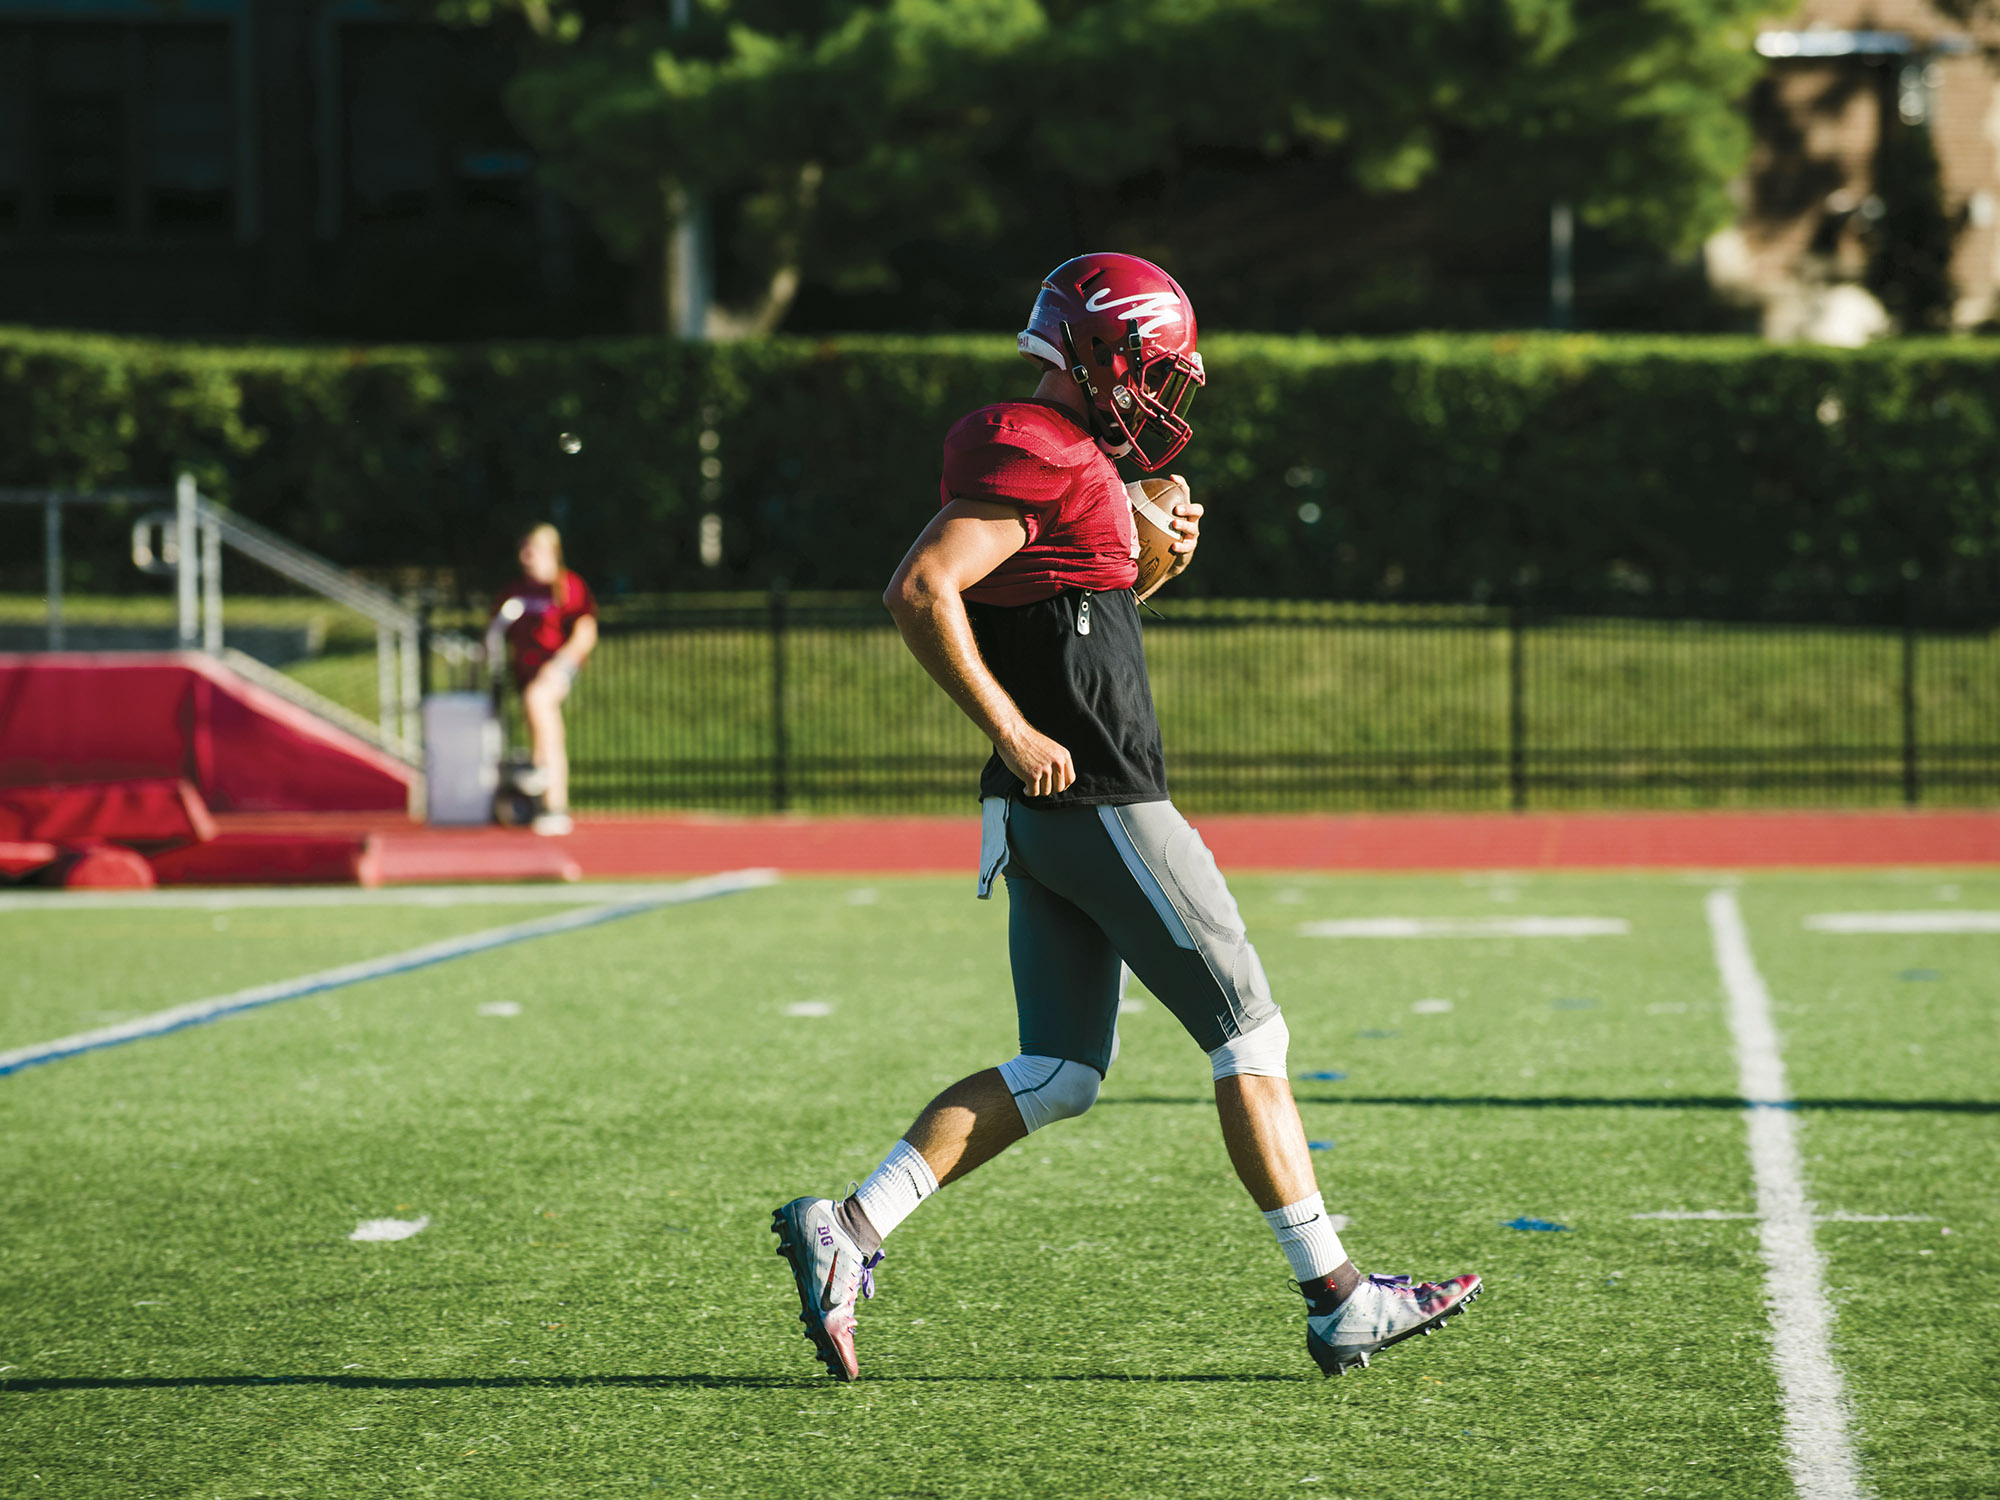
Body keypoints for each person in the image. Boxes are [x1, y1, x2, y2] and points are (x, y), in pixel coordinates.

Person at [770, 253, 1480, 1381]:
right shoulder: (1038, 447)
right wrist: (1012, 728)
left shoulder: (1073, 460)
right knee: (1247, 1033)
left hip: (1046, 814)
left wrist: (1146, 572)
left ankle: (849, 1229)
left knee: (1059, 1069)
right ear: (1100, 352)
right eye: (1152, 367)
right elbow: (922, 586)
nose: (1160, 392)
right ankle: (1338, 1297)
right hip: (1099, 798)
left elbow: (1063, 625)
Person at [492, 522, 597, 837]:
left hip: (556, 667)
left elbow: (585, 631)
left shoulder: (567, 586)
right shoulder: (516, 591)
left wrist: (562, 663)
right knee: (543, 725)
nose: (525, 557)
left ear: (551, 552)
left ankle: (540, 771)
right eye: (523, 551)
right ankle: (552, 805)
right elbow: (496, 629)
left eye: (532, 550)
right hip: (525, 671)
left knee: (539, 699)